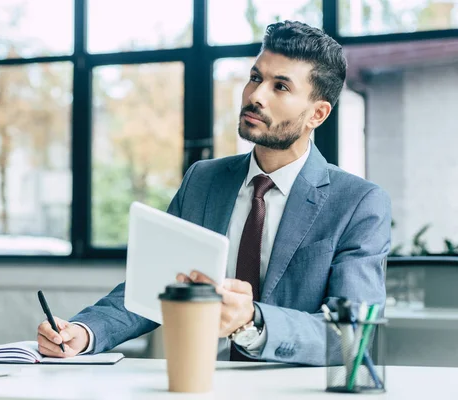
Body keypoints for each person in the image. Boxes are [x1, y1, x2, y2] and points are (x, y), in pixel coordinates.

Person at [37, 21, 391, 366]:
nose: (255, 96)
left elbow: (350, 335)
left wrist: (252, 322)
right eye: (255, 77)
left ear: (317, 113)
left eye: (280, 87)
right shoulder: (203, 180)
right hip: (196, 382)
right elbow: (154, 287)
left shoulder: (358, 203)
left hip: (288, 389)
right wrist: (85, 332)